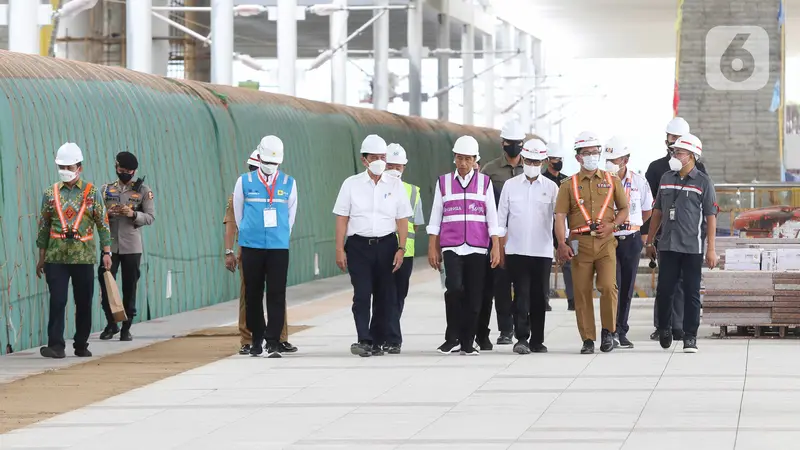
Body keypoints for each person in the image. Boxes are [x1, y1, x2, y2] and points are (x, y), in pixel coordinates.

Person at [333, 135, 412, 357]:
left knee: (384, 294)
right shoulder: (351, 184)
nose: (379, 161)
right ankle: (363, 339)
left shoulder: (395, 185)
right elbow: (341, 218)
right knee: (362, 294)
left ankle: (377, 340)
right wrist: (339, 248)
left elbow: (402, 219)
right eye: (374, 157)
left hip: (387, 245)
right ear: (364, 159)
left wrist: (401, 248)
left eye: (382, 157)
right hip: (358, 246)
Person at [35, 143, 112, 358]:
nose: (65, 170)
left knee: (84, 302)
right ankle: (56, 346)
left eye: (69, 166)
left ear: (79, 167)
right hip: (56, 257)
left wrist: (107, 252)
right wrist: (41, 257)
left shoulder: (92, 192)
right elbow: (43, 226)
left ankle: (81, 343)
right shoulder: (50, 193)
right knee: (57, 300)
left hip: (83, 257)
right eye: (62, 166)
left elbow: (103, 224)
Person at [555, 131, 629, 354]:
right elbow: (559, 216)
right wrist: (561, 243)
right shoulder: (568, 185)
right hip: (579, 244)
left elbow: (624, 209)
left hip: (606, 243)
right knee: (582, 291)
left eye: (595, 152)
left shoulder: (612, 181)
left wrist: (613, 225)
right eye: (586, 153)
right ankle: (588, 339)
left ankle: (608, 332)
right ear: (577, 157)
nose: (591, 157)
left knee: (608, 286)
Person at [428, 135, 502, 356]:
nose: (463, 163)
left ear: (475, 160)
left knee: (474, 294)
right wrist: (433, 246)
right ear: (454, 158)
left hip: (478, 247)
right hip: (452, 246)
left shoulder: (484, 183)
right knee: (454, 289)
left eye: (468, 159)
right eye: (459, 158)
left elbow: (492, 218)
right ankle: (452, 338)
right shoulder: (443, 182)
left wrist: (495, 246)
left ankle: (468, 341)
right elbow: (435, 217)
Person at [646, 133, 718, 353]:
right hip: (667, 245)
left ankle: (690, 336)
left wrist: (711, 250)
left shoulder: (703, 182)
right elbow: (657, 211)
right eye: (674, 151)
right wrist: (650, 241)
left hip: (692, 247)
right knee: (665, 290)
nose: (675, 155)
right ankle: (665, 328)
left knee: (691, 292)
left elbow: (710, 216)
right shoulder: (667, 178)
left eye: (679, 152)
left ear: (692, 156)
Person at [224, 150, 296, 355]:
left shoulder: (285, 184)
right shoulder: (242, 188)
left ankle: (276, 338)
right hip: (249, 248)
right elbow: (233, 222)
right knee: (250, 296)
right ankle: (250, 339)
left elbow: (289, 217)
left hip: (275, 245)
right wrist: (232, 249)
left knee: (276, 294)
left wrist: (279, 235)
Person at [497, 139, 558, 354]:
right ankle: (521, 337)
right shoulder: (510, 186)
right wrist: (500, 248)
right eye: (530, 160)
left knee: (540, 297)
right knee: (521, 295)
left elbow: (559, 220)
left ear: (543, 162)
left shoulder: (552, 188)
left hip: (542, 251)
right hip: (516, 250)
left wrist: (562, 245)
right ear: (523, 159)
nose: (533, 164)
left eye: (537, 161)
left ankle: (537, 340)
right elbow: (501, 220)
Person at [98, 152, 155, 342]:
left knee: (129, 286)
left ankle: (126, 327)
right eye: (122, 170)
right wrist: (108, 213)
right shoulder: (106, 190)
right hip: (110, 245)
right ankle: (111, 323)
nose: (125, 174)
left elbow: (150, 217)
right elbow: (96, 215)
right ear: (116, 168)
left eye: (129, 171)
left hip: (131, 245)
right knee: (106, 284)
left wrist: (132, 214)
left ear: (134, 171)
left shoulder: (143, 190)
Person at [477, 121, 525, 350]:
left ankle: (522, 327)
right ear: (503, 144)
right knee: (501, 284)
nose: (514, 147)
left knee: (524, 284)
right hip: (498, 234)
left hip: (525, 233)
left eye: (518, 144)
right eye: (510, 143)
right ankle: (506, 330)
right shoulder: (490, 169)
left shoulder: (531, 168)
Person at [603, 137, 653, 349]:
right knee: (612, 285)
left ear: (625, 159)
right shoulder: (602, 181)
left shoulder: (639, 182)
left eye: (615, 159)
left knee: (627, 286)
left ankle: (621, 330)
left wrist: (639, 230)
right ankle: (609, 330)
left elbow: (648, 208)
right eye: (608, 159)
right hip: (609, 239)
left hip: (631, 238)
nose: (611, 163)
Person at [375, 143, 425, 354]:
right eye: (391, 165)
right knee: (390, 295)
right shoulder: (378, 188)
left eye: (398, 165)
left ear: (404, 167)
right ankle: (393, 338)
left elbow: (416, 223)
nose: (395, 169)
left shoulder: (413, 191)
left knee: (397, 297)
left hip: (405, 251)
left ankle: (388, 334)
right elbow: (418, 223)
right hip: (388, 250)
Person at [543, 143, 574, 311]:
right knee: (545, 264)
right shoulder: (542, 180)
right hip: (546, 226)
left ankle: (573, 300)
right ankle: (544, 299)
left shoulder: (567, 181)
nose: (558, 162)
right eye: (555, 159)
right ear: (548, 161)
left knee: (569, 262)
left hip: (564, 226)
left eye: (560, 159)